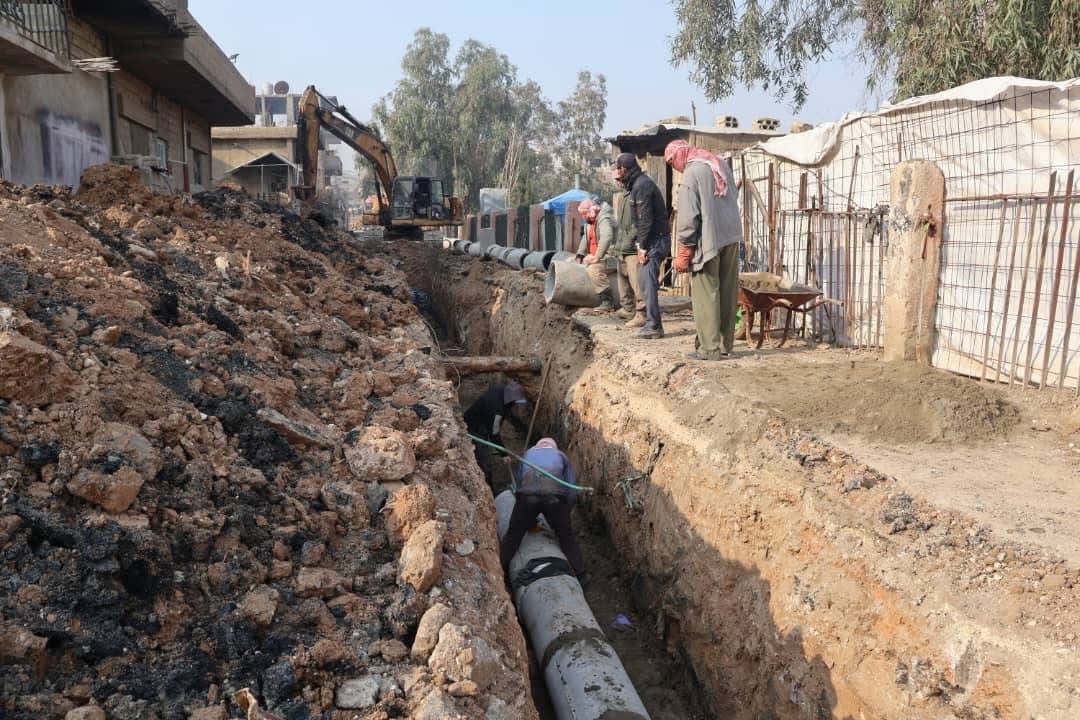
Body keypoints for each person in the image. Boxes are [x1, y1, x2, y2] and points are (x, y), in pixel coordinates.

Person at [664, 139, 743, 360]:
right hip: (731, 236)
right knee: (727, 293)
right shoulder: (719, 164)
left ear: (679, 155)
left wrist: (684, 250)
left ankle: (709, 349)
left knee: (706, 294)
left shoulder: (692, 173)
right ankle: (725, 345)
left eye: (671, 162)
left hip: (708, 241)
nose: (674, 167)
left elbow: (689, 217)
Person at [499, 438, 588, 585]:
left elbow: (519, 485)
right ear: (554, 447)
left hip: (527, 498)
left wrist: (526, 519)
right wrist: (565, 512)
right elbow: (571, 489)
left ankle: (500, 570)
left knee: (513, 535)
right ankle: (581, 575)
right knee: (566, 537)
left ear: (537, 446)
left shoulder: (527, 454)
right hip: (554, 499)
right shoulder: (561, 456)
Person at [614, 153, 669, 339]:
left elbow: (645, 221)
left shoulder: (642, 186)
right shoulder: (638, 184)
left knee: (647, 283)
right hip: (652, 241)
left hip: (655, 241)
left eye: (619, 169)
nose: (618, 174)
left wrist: (642, 247)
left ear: (624, 169)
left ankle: (654, 325)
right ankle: (653, 324)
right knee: (646, 282)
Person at [464, 381, 529, 487]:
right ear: (510, 400)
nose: (516, 404)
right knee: (484, 464)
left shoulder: (501, 388)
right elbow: (494, 433)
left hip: (477, 417)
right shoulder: (497, 411)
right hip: (473, 430)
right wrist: (503, 453)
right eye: (515, 402)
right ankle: (489, 489)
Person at [574, 198, 618, 310]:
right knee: (574, 264)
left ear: (592, 211)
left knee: (594, 270)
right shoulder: (590, 222)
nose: (583, 217)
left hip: (613, 256)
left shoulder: (604, 219)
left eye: (584, 214)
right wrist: (580, 254)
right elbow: (585, 238)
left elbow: (607, 237)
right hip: (598, 256)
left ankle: (607, 301)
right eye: (582, 214)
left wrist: (597, 257)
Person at [613, 175, 645, 327]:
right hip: (623, 247)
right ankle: (628, 309)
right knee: (623, 283)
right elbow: (622, 225)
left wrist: (629, 241)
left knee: (637, 283)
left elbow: (637, 223)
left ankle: (642, 314)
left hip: (632, 248)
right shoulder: (624, 195)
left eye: (619, 179)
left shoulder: (636, 193)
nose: (617, 181)